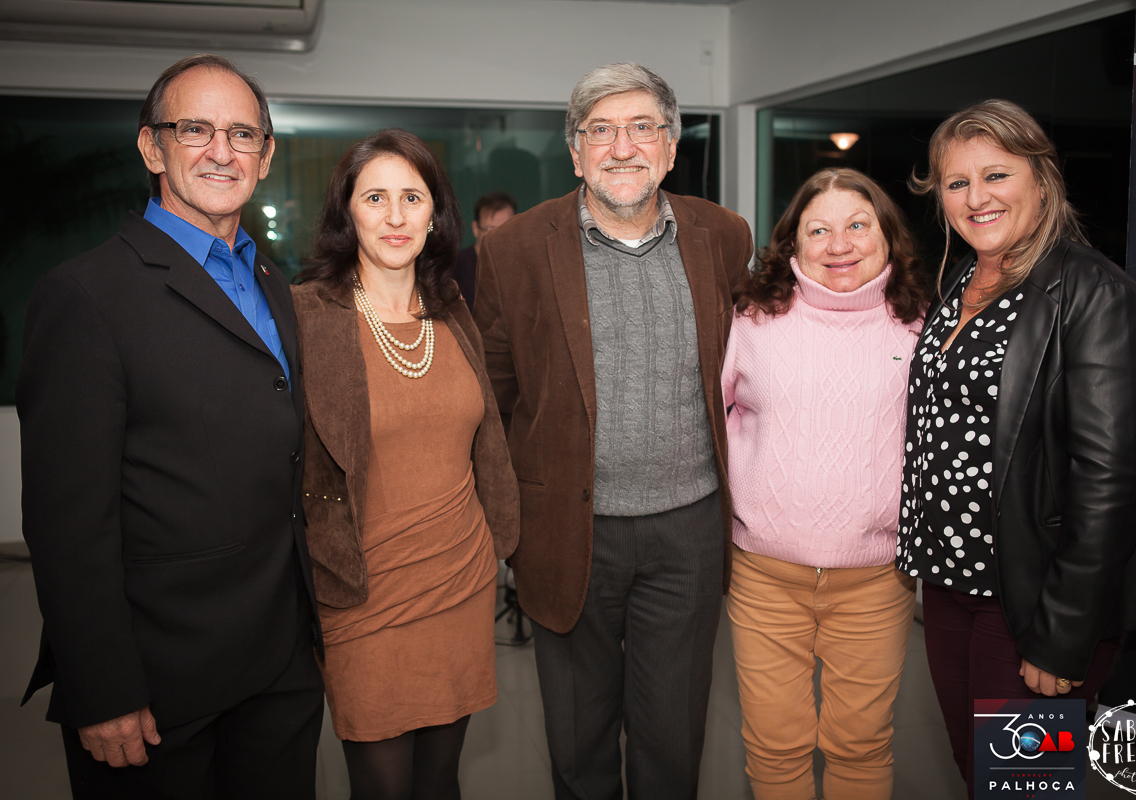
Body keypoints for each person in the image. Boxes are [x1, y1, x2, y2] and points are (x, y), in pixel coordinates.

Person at [17, 54, 324, 798]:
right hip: (160, 681)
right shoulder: (85, 295)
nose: (222, 151)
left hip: (281, 665)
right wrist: (102, 687)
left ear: (265, 156)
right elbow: (67, 521)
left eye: (242, 133)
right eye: (195, 129)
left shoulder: (272, 282)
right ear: (152, 148)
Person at [473, 62, 755, 800]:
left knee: (673, 742)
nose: (622, 147)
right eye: (600, 130)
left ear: (670, 147)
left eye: (641, 128)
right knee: (579, 746)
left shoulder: (724, 236)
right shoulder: (513, 249)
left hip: (688, 532)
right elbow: (493, 400)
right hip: (568, 531)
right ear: (575, 153)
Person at [900, 99, 1136, 796]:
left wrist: (1063, 635)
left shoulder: (1096, 294)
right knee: (976, 770)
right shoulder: (960, 281)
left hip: (1033, 598)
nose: (977, 197)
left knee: (1020, 785)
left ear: (1041, 178)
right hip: (952, 585)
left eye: (996, 175)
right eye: (957, 182)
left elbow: (1109, 482)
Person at [293, 128, 519, 800]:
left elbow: (486, 434)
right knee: (382, 788)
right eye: (375, 198)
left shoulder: (452, 310)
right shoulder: (307, 316)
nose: (395, 216)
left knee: (440, 782)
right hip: (361, 593)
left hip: (460, 581)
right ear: (347, 213)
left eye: (412, 197)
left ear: (435, 214)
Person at [722, 167, 931, 800]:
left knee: (860, 746)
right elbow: (707, 420)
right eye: (819, 230)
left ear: (888, 236)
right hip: (764, 578)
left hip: (876, 580)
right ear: (792, 243)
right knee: (774, 747)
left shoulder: (923, 326)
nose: (839, 244)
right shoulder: (750, 321)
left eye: (858, 225)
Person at [452, 191, 516, 310]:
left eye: (508, 228)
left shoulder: (523, 267)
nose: (501, 236)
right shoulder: (455, 268)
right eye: (492, 229)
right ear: (476, 229)